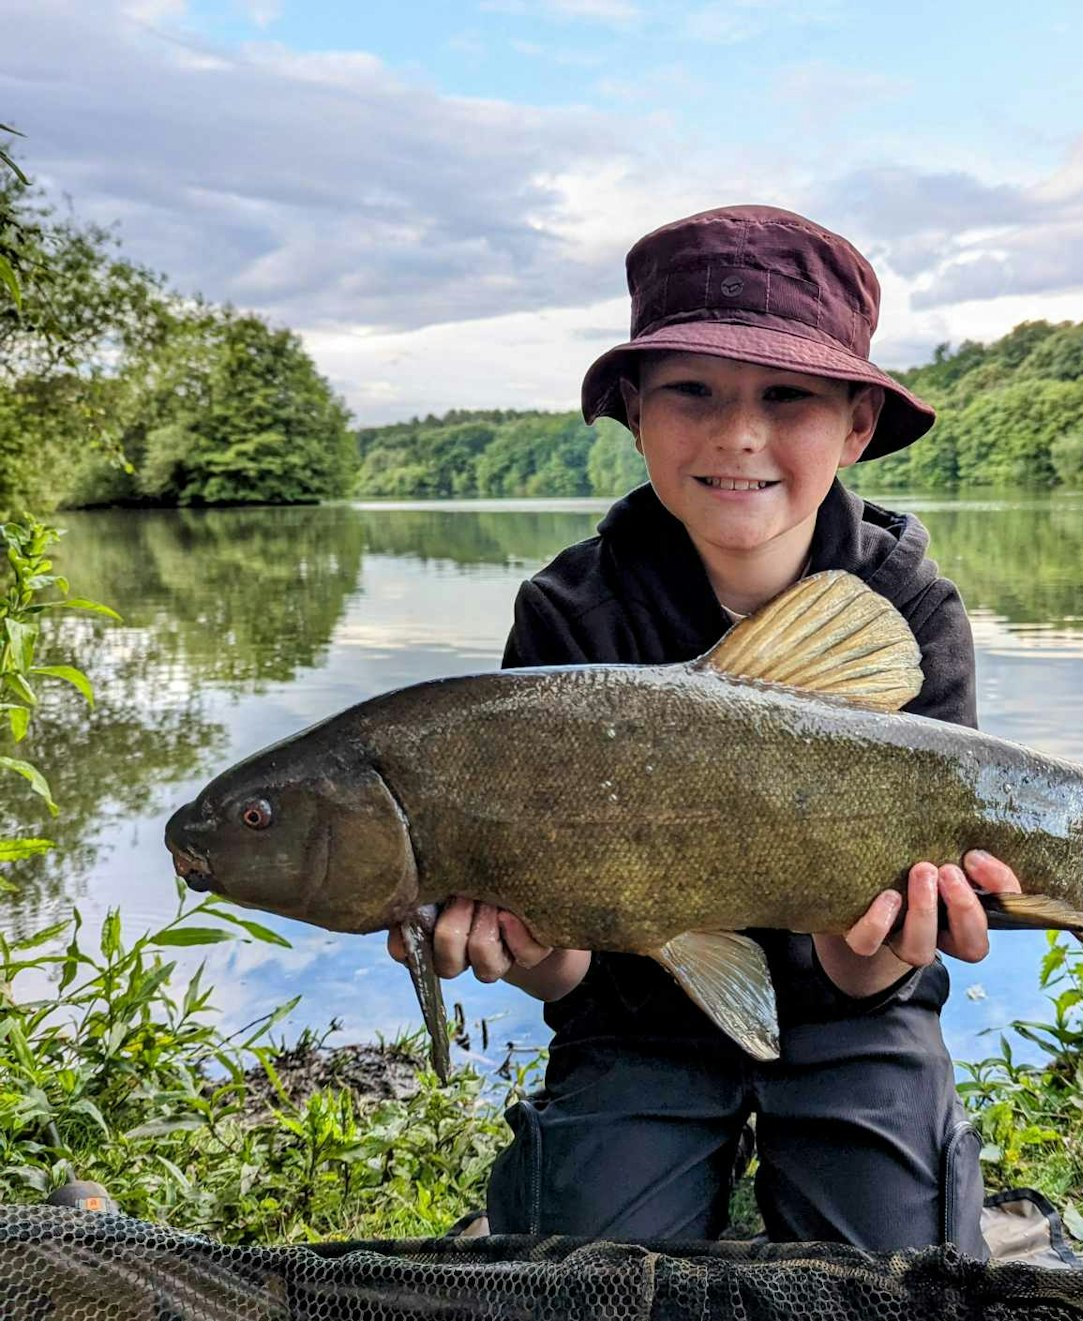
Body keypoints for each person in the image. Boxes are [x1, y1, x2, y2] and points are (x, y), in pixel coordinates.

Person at [388, 204, 1021, 1255]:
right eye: (694, 391)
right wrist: (529, 950)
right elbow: (572, 972)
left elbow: (876, 968)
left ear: (858, 424)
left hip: (855, 1012)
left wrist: (879, 952)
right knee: (583, 1269)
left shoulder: (908, 606)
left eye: (789, 396)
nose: (738, 433)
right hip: (638, 1016)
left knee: (889, 1270)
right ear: (635, 413)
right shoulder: (567, 619)